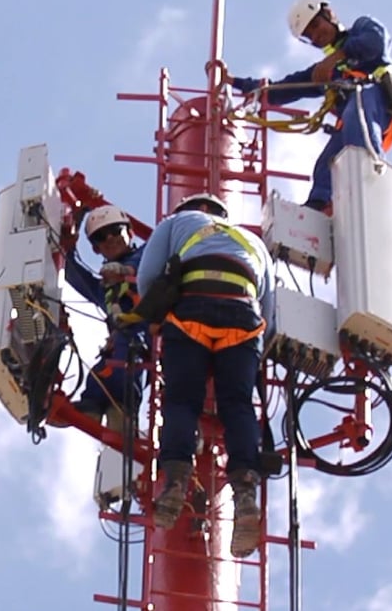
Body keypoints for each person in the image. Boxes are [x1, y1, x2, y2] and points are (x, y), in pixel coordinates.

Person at [133, 192, 275, 559]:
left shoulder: (174, 224)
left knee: (182, 400)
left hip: (192, 311)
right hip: (243, 317)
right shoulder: (255, 242)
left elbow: (147, 279)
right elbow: (269, 309)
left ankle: (175, 481)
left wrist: (155, 318)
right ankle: (245, 495)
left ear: (188, 211)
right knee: (238, 405)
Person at [228, 0, 392, 214]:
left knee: (356, 112)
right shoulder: (324, 72)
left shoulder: (361, 28)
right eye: (309, 34)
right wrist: (235, 82)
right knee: (326, 166)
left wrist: (337, 56)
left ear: (328, 14)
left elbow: (376, 43)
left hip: (371, 99)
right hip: (351, 121)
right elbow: (280, 90)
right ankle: (318, 209)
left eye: (315, 25)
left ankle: (369, 179)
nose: (315, 34)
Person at [61, 204, 149, 436]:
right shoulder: (105, 289)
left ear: (129, 233)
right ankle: (94, 407)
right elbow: (73, 274)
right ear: (96, 248)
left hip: (146, 337)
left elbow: (148, 262)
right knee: (102, 371)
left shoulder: (149, 254)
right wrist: (69, 238)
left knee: (130, 355)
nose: (110, 238)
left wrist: (125, 269)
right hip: (122, 340)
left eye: (116, 231)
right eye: (101, 236)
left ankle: (123, 409)